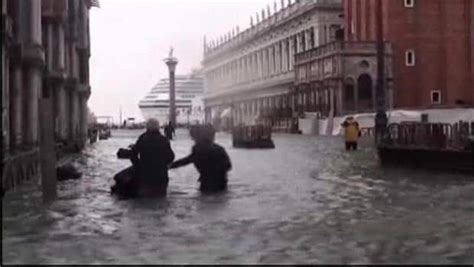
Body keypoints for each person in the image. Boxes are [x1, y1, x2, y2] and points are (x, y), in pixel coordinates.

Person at [169, 125, 232, 193]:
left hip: (206, 182)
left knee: (206, 201)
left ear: (197, 137)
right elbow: (229, 166)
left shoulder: (198, 148)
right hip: (221, 182)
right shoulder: (219, 148)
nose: (192, 139)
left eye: (192, 137)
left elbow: (187, 160)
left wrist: (170, 166)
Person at [130, 119, 175, 197]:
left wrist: (138, 166)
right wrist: (163, 164)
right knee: (160, 199)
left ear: (147, 127)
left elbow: (133, 154)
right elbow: (171, 157)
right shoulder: (163, 140)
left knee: (144, 199)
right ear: (158, 127)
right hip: (161, 176)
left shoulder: (142, 138)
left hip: (145, 175)